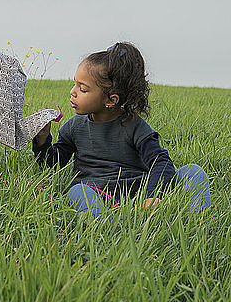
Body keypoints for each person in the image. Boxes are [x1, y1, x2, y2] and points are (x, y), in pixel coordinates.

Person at [32, 42, 211, 218]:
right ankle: (104, 223)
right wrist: (42, 138)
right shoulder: (74, 126)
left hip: (138, 196)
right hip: (95, 194)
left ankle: (197, 219)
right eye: (75, 84)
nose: (73, 92)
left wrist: (151, 195)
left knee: (193, 171)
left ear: (111, 100)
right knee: (77, 191)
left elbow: (160, 162)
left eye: (83, 89)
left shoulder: (134, 127)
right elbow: (53, 164)